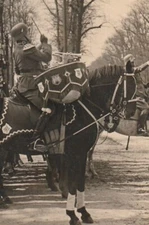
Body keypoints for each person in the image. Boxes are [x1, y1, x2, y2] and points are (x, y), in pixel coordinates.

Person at [10, 22, 53, 147]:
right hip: (31, 85)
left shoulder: (17, 49)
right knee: (48, 109)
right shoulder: (27, 48)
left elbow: (18, 70)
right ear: (23, 34)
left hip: (23, 84)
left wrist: (39, 46)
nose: (28, 34)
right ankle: (37, 139)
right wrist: (44, 43)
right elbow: (46, 57)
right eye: (27, 32)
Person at [124, 54, 149, 135]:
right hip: (137, 97)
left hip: (143, 96)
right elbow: (139, 68)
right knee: (146, 108)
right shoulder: (130, 70)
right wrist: (147, 63)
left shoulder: (134, 71)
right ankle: (140, 127)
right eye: (132, 60)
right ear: (129, 62)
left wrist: (146, 85)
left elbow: (140, 84)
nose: (134, 62)